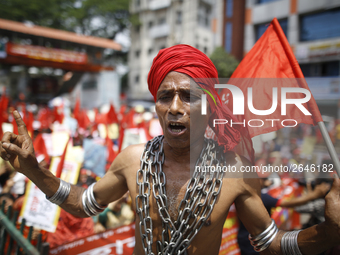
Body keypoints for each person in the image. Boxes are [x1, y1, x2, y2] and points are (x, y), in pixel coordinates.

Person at [0, 44, 340, 255]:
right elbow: (83, 205)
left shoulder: (235, 170)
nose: (175, 107)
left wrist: (329, 231)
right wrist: (34, 171)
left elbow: (271, 243)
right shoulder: (133, 160)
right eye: (165, 97)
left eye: (188, 97)